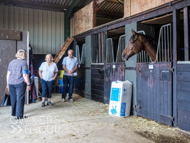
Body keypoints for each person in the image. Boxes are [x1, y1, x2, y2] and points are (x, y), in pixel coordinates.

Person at [6, 49, 31, 120]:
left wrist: (7, 84)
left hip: (11, 83)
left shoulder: (11, 62)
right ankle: (19, 115)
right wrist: (28, 84)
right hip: (19, 83)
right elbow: (25, 75)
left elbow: (8, 74)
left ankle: (14, 113)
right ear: (23, 55)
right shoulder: (23, 63)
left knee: (13, 98)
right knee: (20, 99)